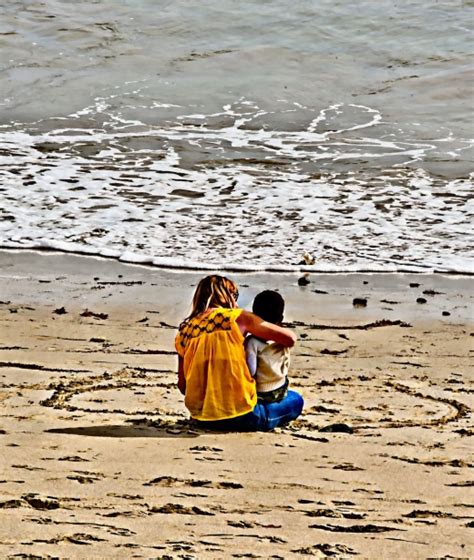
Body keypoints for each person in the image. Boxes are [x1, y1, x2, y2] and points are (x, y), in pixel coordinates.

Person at [175, 275, 304, 431]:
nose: (236, 303)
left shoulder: (184, 331)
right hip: (241, 415)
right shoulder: (237, 318)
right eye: (235, 296)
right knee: (295, 400)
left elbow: (183, 387)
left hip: (201, 416)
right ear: (227, 295)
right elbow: (289, 339)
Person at [245, 290, 290, 403]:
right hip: (281, 388)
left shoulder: (252, 342)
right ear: (281, 319)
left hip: (262, 393)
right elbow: (286, 362)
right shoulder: (283, 337)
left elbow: (251, 371)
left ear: (254, 317)